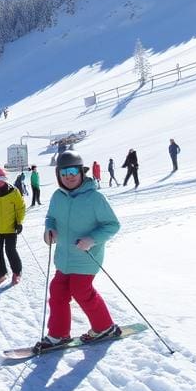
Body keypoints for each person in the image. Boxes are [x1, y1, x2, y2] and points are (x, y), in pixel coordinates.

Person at [35, 151, 121, 353]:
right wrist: (50, 230)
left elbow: (112, 225)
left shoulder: (95, 198)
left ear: (82, 172)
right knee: (57, 292)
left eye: (73, 171)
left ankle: (105, 327)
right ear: (58, 176)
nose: (69, 176)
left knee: (81, 290)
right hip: (63, 258)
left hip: (85, 257)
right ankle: (58, 335)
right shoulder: (58, 196)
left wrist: (92, 239)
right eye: (64, 173)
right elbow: (50, 218)